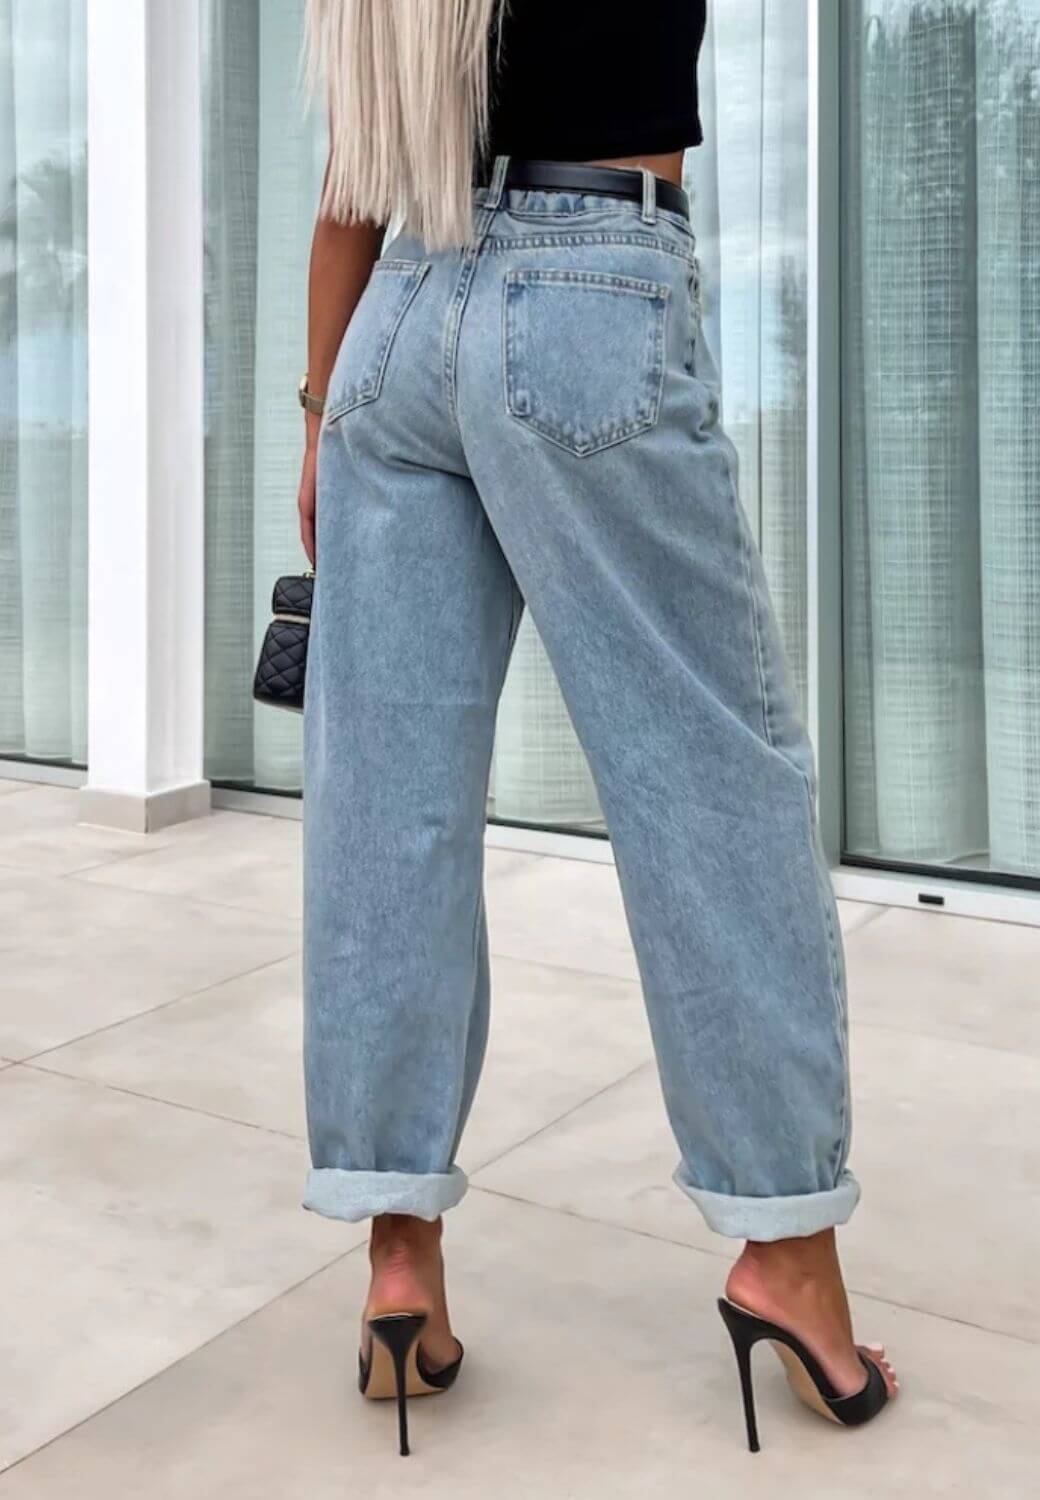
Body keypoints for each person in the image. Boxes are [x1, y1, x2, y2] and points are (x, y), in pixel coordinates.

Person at [297, 0, 898, 1458]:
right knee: (709, 779)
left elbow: (352, 178)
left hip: (393, 325)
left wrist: (321, 417)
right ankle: (786, 1257)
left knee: (388, 801)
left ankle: (397, 1255)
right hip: (590, 292)